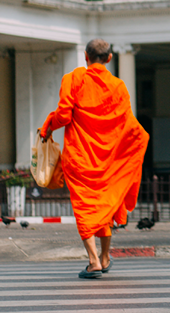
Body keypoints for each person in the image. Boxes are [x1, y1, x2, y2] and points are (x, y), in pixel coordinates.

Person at [40, 39, 149, 279]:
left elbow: (64, 115)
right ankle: (106, 256)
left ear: (86, 57)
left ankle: (93, 261)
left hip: (80, 156)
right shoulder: (118, 85)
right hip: (109, 159)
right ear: (109, 59)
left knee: (85, 208)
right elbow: (128, 124)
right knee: (104, 208)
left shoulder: (74, 78)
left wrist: (49, 125)